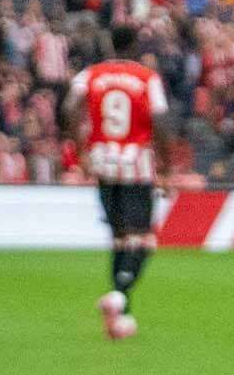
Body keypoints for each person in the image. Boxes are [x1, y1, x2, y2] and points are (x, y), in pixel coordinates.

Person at [70, 34, 168, 341]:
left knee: (119, 237)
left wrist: (81, 147)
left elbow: (70, 107)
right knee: (143, 239)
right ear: (135, 49)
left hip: (102, 161)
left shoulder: (91, 74)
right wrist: (166, 163)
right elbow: (161, 120)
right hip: (135, 163)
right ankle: (120, 296)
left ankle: (121, 314)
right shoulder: (146, 78)